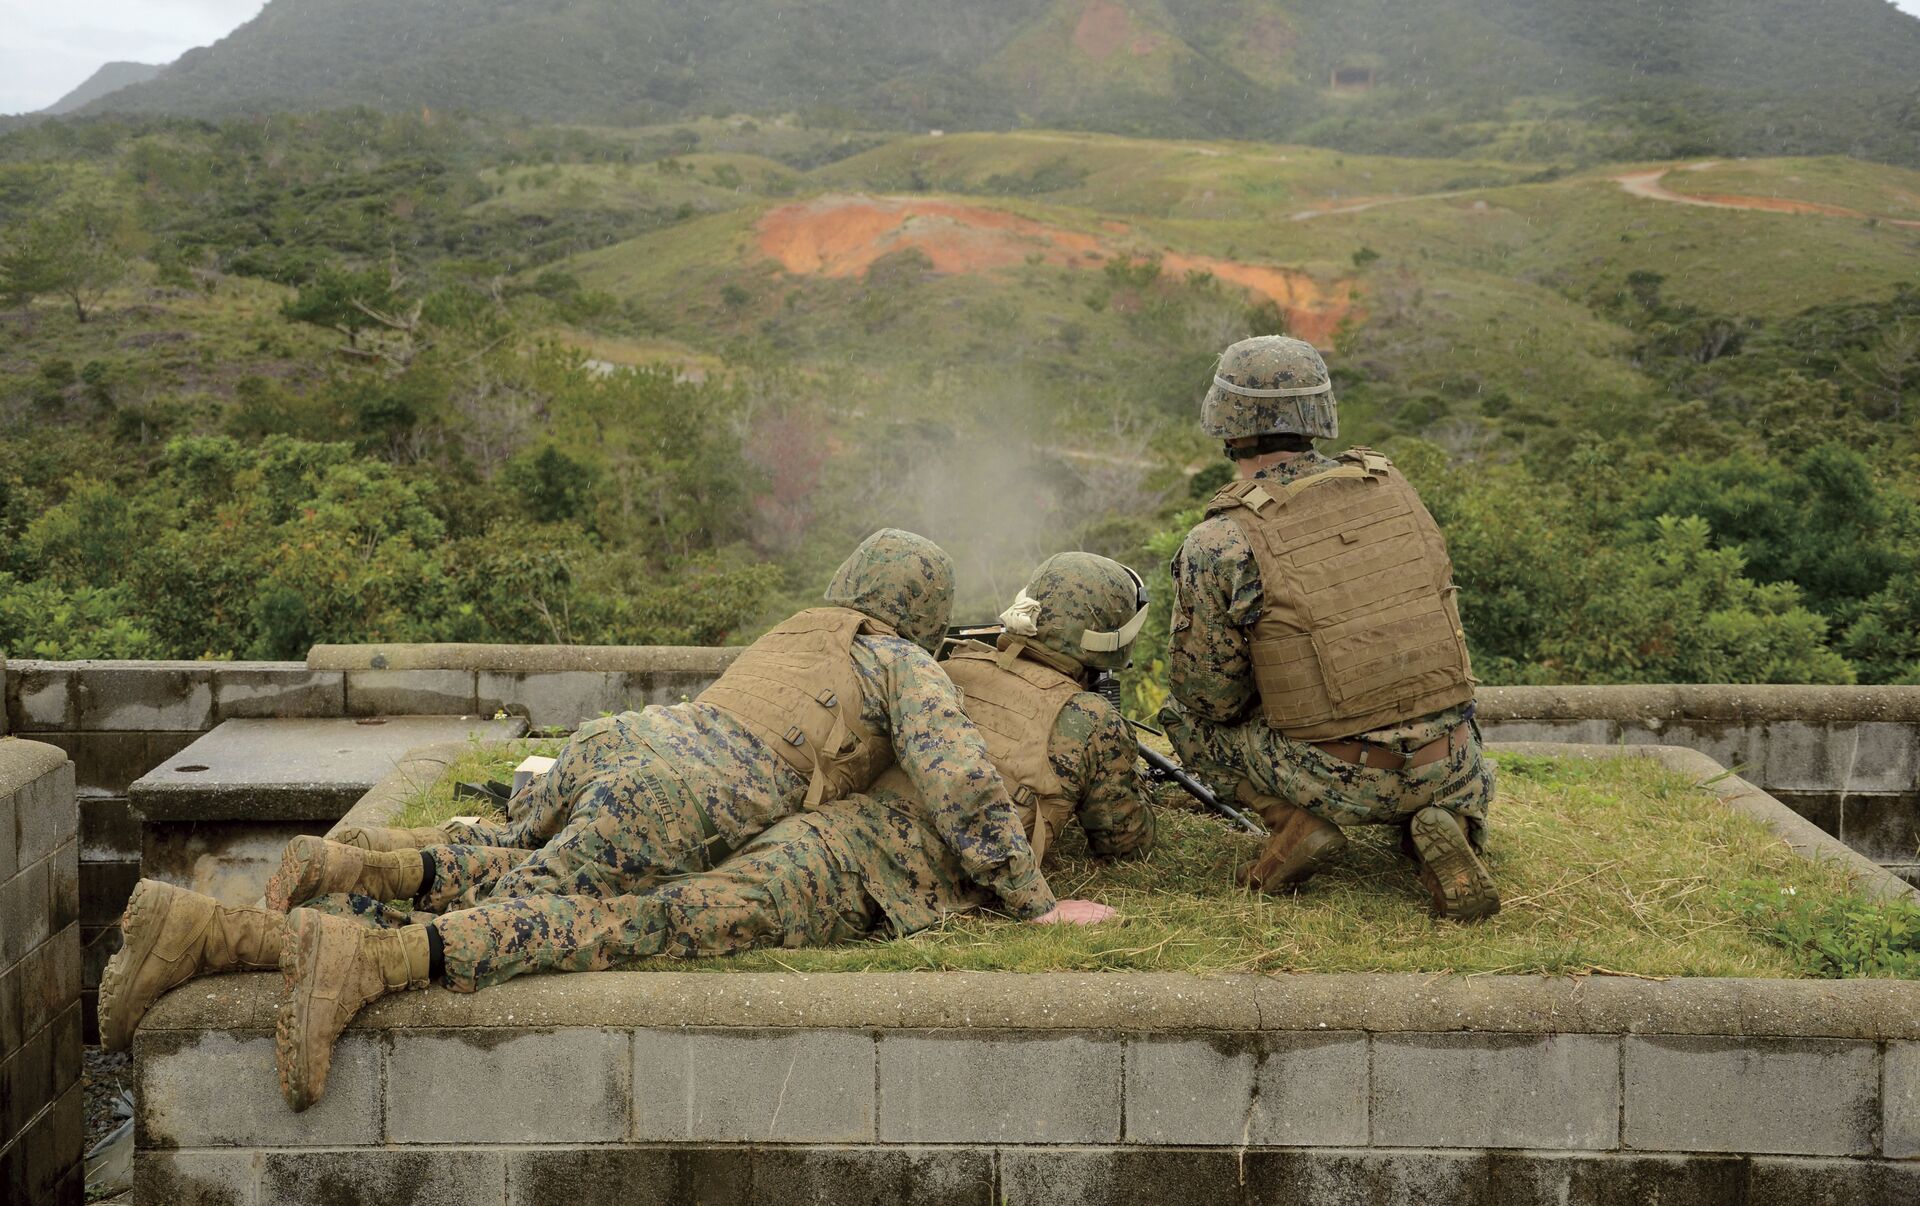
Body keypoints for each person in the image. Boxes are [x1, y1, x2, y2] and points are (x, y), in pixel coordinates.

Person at [99, 528, 1083, 1058]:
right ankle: (329, 949)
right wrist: (1029, 899)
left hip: (628, 744)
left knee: (523, 869)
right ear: (924, 613)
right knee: (534, 918)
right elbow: (959, 777)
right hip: (683, 792)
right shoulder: (902, 661)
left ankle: (231, 923)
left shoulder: (798, 629)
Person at [269, 554, 1149, 1110]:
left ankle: (360, 880)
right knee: (633, 919)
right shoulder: (968, 682)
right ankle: (380, 953)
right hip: (832, 863)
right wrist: (1035, 904)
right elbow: (1112, 833)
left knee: (561, 865)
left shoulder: (901, 652)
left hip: (728, 796)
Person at [1158, 335, 1499, 922]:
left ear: (1226, 421)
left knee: (1183, 719)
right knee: (1433, 719)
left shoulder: (1220, 539)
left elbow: (1210, 698)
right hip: (1450, 757)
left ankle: (1295, 823)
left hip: (1334, 774)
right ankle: (1448, 824)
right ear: (1319, 412)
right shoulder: (1392, 489)